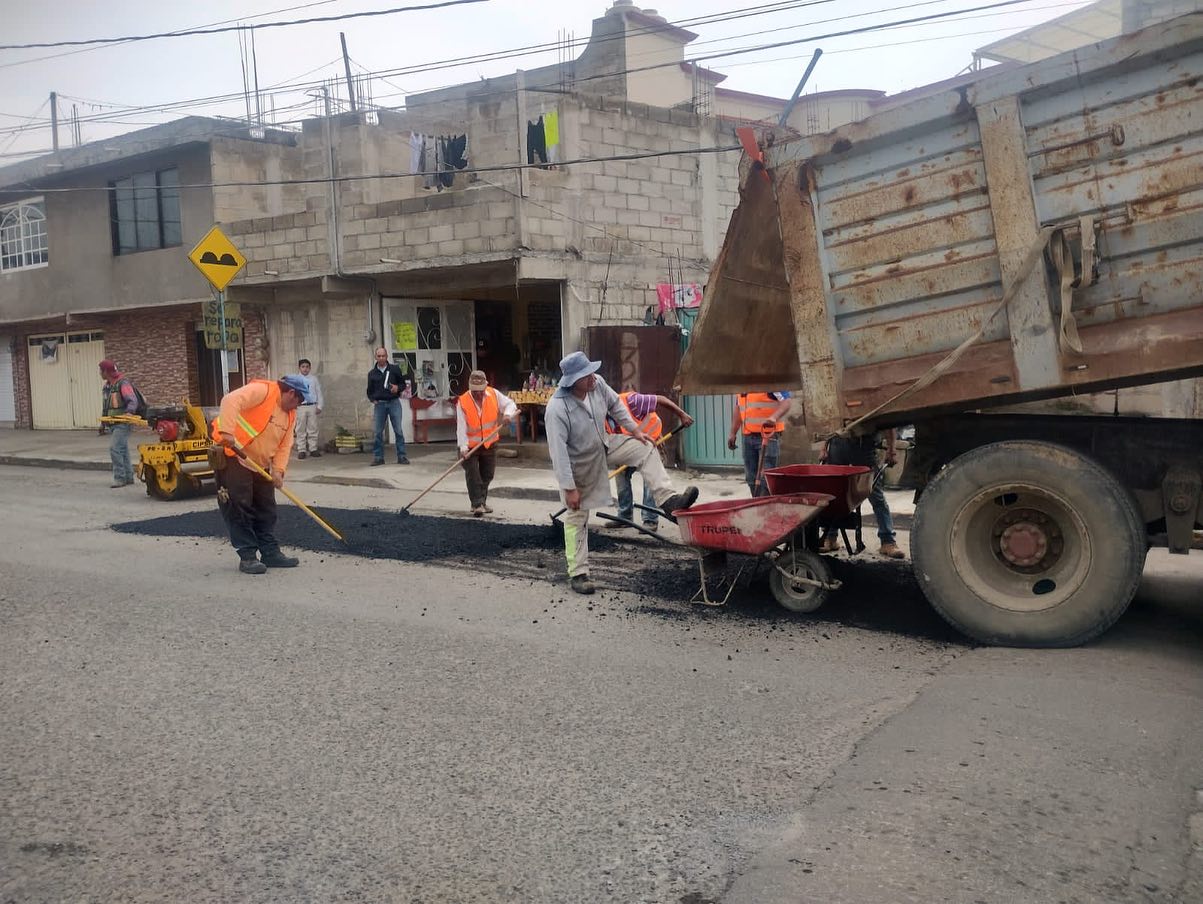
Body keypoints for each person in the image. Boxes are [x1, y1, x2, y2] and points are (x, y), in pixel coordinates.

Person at [546, 351, 699, 595]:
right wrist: (569, 487)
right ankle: (578, 572)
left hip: (604, 443)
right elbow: (558, 453)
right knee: (577, 516)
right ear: (573, 381)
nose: (593, 378)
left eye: (592, 372)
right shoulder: (557, 409)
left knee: (645, 447)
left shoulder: (597, 385)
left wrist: (635, 431)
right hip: (578, 461)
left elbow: (616, 405)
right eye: (587, 376)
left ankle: (668, 500)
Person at [210, 376, 307, 575]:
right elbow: (229, 400)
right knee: (239, 506)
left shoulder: (290, 414)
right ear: (291, 393)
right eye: (300, 400)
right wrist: (227, 431)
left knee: (266, 508)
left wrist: (278, 471)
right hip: (234, 455)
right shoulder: (263, 391)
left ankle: (270, 552)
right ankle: (247, 556)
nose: (299, 405)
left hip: (259, 463)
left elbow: (284, 446)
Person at [604, 390, 694, 533]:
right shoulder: (601, 417)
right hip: (629, 445)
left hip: (651, 440)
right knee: (621, 477)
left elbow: (661, 399)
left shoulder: (632, 401)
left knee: (650, 478)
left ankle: (650, 519)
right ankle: (625, 515)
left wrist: (681, 415)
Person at [820, 431, 906, 560]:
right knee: (834, 494)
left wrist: (891, 450)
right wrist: (823, 448)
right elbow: (827, 423)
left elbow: (889, 427)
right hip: (837, 445)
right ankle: (830, 537)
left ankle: (888, 542)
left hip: (863, 445)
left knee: (876, 496)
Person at [456, 370, 518, 517]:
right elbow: (461, 427)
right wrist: (463, 448)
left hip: (489, 443)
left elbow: (510, 404)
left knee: (487, 474)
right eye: (475, 391)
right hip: (470, 445)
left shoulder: (493, 394)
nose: (478, 394)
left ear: (485, 386)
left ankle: (481, 502)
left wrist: (508, 415)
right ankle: (477, 504)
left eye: (480, 390)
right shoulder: (463, 401)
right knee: (473, 475)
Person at [727, 391, 792, 496]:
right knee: (751, 477)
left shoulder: (771, 382)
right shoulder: (741, 387)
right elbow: (738, 408)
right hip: (748, 436)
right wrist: (733, 432)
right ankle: (756, 502)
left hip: (767, 435)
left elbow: (787, 401)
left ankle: (765, 505)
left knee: (766, 476)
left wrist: (774, 417)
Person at [99, 359, 139, 489]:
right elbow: (106, 406)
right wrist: (103, 422)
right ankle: (128, 477)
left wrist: (129, 413)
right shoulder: (107, 387)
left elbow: (132, 400)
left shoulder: (123, 383)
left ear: (106, 371)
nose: (99, 373)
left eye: (101, 370)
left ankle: (120, 478)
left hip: (123, 423)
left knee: (114, 448)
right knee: (123, 450)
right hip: (113, 423)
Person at [367, 347, 410, 466]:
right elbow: (369, 390)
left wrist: (398, 388)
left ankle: (402, 456)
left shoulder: (394, 369)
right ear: (376, 357)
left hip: (394, 402)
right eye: (379, 356)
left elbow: (403, 384)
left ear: (387, 357)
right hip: (380, 404)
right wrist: (372, 399)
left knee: (398, 430)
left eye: (383, 356)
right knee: (377, 432)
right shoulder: (372, 373)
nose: (381, 358)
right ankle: (378, 457)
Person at [289, 358, 324, 460]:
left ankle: (313, 448)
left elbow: (319, 393)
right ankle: (301, 450)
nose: (305, 369)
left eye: (307, 367)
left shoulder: (314, 379)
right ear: (299, 368)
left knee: (313, 428)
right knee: (300, 429)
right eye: (303, 367)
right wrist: (293, 406)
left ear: (310, 368)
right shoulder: (296, 380)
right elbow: (292, 394)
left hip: (312, 406)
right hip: (300, 407)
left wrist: (319, 406)